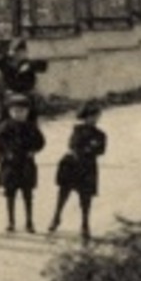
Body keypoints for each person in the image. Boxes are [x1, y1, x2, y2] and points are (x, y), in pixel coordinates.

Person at [50, 100, 108, 242]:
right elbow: (72, 145)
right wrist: (88, 147)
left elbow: (101, 150)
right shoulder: (77, 130)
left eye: (96, 116)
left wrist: (88, 148)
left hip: (88, 167)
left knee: (86, 198)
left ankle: (85, 225)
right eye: (91, 116)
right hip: (73, 165)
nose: (94, 119)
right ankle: (56, 217)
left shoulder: (100, 134)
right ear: (85, 116)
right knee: (63, 193)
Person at [0, 93, 45, 233]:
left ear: (28, 112)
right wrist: (5, 152)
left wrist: (34, 150)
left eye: (22, 111)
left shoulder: (31, 127)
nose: (19, 114)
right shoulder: (4, 127)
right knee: (10, 193)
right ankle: (11, 221)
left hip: (26, 164)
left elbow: (41, 142)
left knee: (27, 194)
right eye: (15, 111)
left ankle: (29, 221)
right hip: (10, 164)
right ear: (9, 111)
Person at [0, 37, 48, 121]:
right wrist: (8, 54)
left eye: (22, 52)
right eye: (17, 52)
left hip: (27, 98)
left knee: (30, 124)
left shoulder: (28, 63)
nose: (20, 54)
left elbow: (43, 66)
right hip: (11, 97)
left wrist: (30, 66)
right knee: (7, 123)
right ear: (13, 53)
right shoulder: (6, 63)